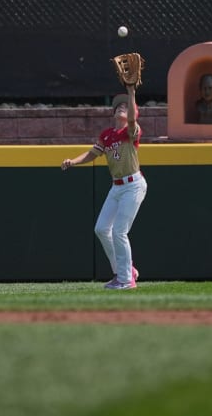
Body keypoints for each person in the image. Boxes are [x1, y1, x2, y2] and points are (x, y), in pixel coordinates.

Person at [61, 84, 146, 290]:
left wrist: (132, 92)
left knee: (119, 231)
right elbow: (92, 154)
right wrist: (73, 161)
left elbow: (132, 120)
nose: (121, 107)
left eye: (126, 106)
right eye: (118, 106)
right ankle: (125, 271)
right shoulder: (107, 134)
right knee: (101, 229)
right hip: (116, 187)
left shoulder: (130, 131)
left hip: (133, 185)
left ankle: (126, 280)